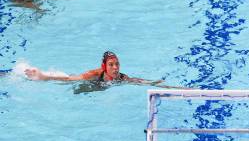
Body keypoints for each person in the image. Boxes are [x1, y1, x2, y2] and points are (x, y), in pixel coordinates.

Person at [25, 51, 163, 86]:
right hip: (87, 86)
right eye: (111, 65)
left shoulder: (121, 77)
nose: (115, 68)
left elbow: (136, 81)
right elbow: (69, 79)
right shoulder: (93, 74)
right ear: (104, 66)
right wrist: (43, 76)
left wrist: (154, 83)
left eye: (117, 64)